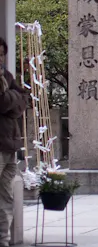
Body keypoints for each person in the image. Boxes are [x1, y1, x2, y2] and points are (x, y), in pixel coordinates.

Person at [0, 38, 27, 247]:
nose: (0, 57)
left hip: (9, 145)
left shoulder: (7, 76)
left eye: (2, 53)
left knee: (6, 197)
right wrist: (12, 99)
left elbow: (22, 101)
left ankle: (4, 240)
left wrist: (11, 98)